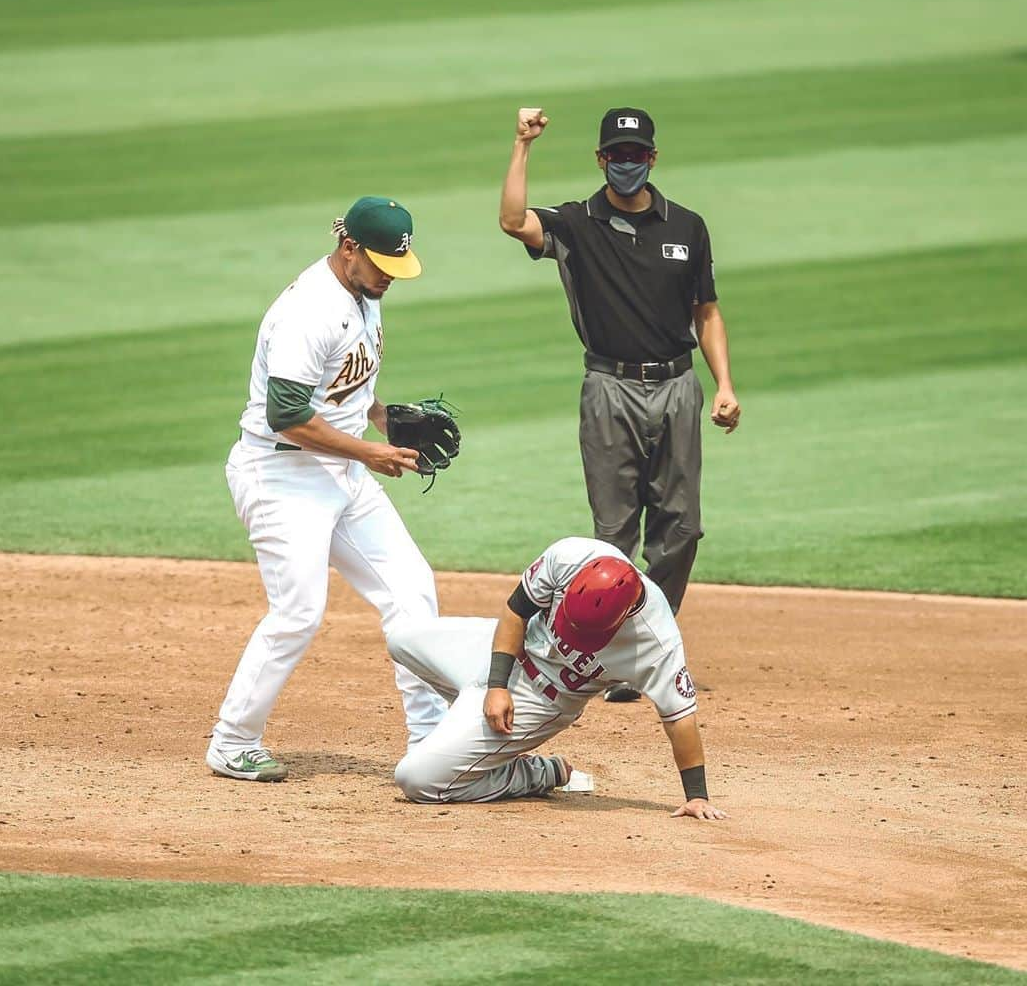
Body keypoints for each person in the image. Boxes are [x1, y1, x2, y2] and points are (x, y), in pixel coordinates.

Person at [499, 106, 741, 702]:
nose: (626, 164)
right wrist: (522, 144)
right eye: (616, 155)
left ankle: (647, 641)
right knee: (614, 532)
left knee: (681, 528)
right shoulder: (577, 224)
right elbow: (512, 220)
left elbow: (705, 311)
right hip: (608, 387)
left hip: (679, 385)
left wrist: (725, 385)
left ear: (652, 158)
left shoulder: (687, 226)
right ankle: (611, 650)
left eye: (636, 155)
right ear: (601, 159)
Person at [206, 196, 448, 782]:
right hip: (281, 474)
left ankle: (431, 738)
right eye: (382, 266)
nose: (391, 278)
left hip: (340, 472)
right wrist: (373, 451)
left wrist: (384, 420)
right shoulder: (309, 311)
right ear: (348, 249)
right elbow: (287, 414)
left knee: (411, 589)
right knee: (298, 612)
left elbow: (346, 391)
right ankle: (232, 741)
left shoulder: (364, 293)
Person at [387, 537, 726, 819]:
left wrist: (697, 795)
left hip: (539, 701)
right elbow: (516, 612)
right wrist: (497, 684)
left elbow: (680, 720)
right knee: (401, 639)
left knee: (417, 780)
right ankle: (470, 736)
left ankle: (537, 773)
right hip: (501, 651)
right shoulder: (569, 557)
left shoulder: (656, 643)